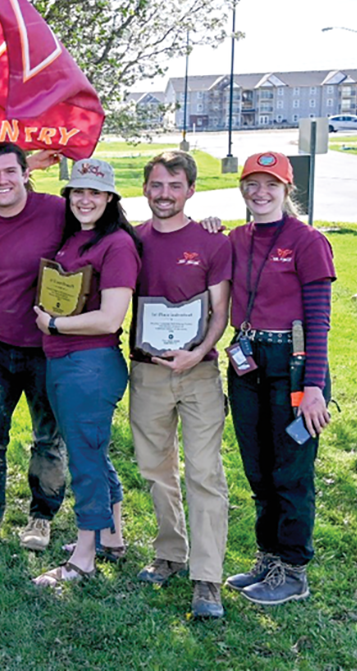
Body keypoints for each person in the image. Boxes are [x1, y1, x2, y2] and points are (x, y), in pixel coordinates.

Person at [224, 152, 334, 605]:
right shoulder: (235, 238)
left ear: (288, 190)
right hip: (247, 360)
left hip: (293, 362)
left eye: (271, 184)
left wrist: (312, 389)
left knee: (291, 469)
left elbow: (319, 319)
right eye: (252, 183)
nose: (260, 192)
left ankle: (293, 569)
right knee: (258, 465)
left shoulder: (308, 241)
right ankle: (268, 557)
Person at [128, 150, 232, 618]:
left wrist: (198, 350)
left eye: (174, 186)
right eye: (156, 185)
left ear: (190, 190)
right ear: (146, 189)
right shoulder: (131, 240)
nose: (164, 194)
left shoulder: (212, 241)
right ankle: (170, 551)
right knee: (155, 468)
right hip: (148, 371)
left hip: (199, 371)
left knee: (204, 473)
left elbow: (221, 311)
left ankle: (207, 579)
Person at [32, 158, 140, 587]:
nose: (85, 199)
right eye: (78, 191)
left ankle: (84, 557)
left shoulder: (117, 244)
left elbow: (111, 317)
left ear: (110, 198)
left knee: (85, 461)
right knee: (91, 452)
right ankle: (110, 536)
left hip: (89, 365)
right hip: (64, 363)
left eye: (95, 192)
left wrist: (55, 325)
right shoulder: (73, 240)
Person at [0, 142, 68, 554]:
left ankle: (42, 517)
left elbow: (110, 231)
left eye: (10, 171)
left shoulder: (57, 211)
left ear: (26, 173)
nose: (2, 180)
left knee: (48, 437)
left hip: (48, 346)